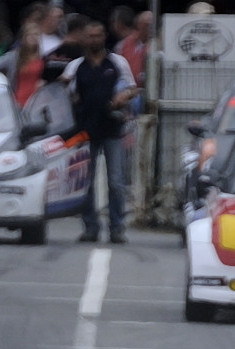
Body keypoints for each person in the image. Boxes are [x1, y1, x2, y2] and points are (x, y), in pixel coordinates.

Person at [62, 19, 138, 244]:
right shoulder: (75, 66)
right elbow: (66, 95)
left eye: (98, 35)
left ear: (104, 37)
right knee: (86, 183)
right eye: (90, 36)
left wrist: (123, 96)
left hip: (113, 130)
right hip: (85, 132)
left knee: (115, 182)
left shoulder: (117, 62)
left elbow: (132, 87)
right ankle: (90, 227)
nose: (94, 40)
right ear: (84, 38)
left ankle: (117, 227)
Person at [0, 22, 45, 106]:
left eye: (36, 35)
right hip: (18, 99)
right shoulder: (14, 56)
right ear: (24, 37)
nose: (34, 38)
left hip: (36, 101)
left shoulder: (41, 56)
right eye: (30, 35)